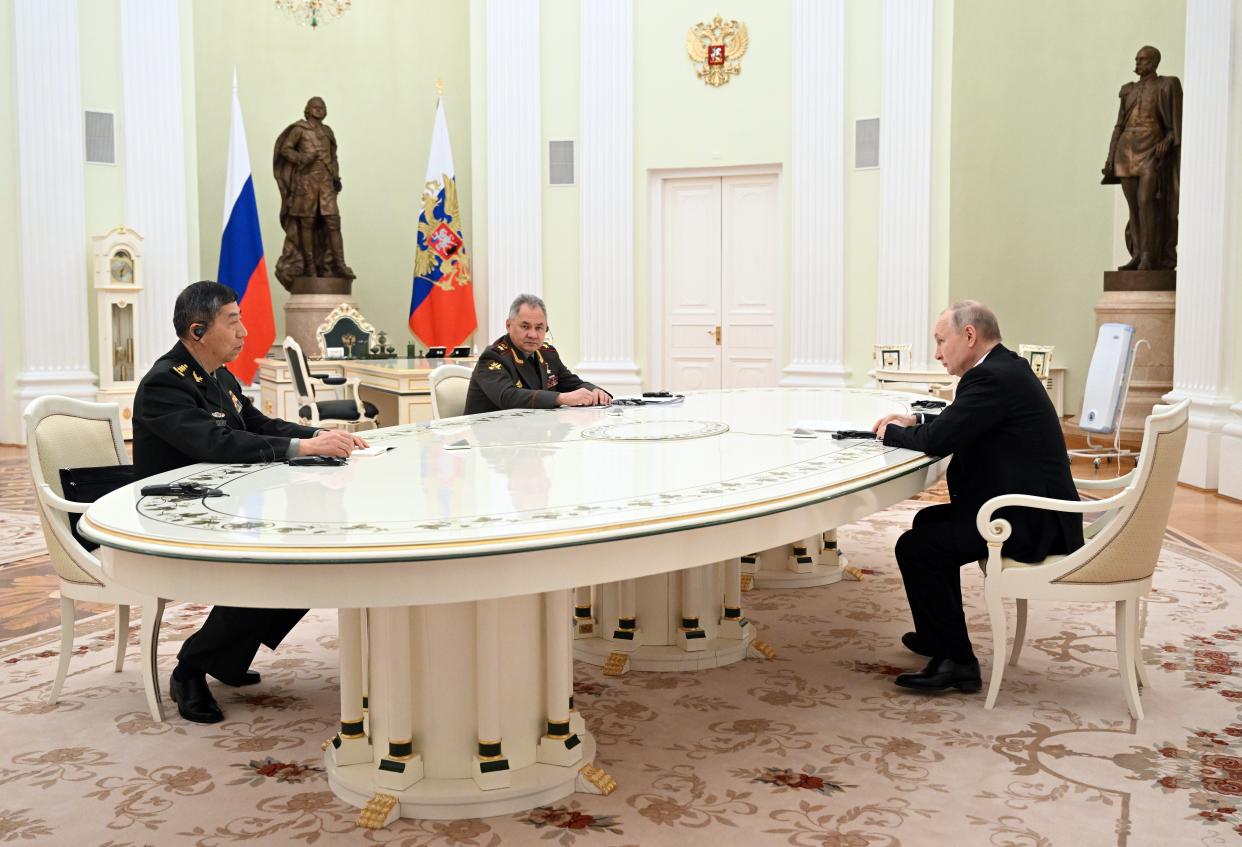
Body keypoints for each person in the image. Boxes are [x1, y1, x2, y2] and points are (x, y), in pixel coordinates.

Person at [132, 281, 368, 723]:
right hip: (172, 516)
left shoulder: (219, 375)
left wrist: (317, 436)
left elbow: (258, 423)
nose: (244, 330)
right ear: (198, 330)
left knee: (309, 553)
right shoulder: (166, 382)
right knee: (275, 561)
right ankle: (191, 669)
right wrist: (304, 450)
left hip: (218, 502)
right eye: (233, 320)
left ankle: (224, 657)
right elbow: (217, 443)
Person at [871, 301, 1083, 693]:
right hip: (1025, 507)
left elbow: (940, 439)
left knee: (918, 547)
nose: (937, 353)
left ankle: (959, 663)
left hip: (1028, 520)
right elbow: (964, 419)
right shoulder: (1003, 368)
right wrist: (915, 420)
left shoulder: (992, 378)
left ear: (969, 336)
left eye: (940, 341)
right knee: (927, 523)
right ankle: (938, 637)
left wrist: (889, 433)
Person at [1102, 45, 1181, 271]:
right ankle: (1137, 254)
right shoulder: (1128, 90)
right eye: (1136, 59)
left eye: (1142, 59)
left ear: (1154, 62)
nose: (1137, 63)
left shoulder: (1166, 85)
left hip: (1150, 150)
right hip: (1126, 150)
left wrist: (1168, 140)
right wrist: (1110, 157)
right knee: (1133, 205)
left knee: (1147, 200)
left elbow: (1175, 125)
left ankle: (1150, 255)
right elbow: (1119, 125)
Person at [463, 294, 613, 414]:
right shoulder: (494, 357)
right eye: (525, 326)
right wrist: (562, 398)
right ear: (508, 325)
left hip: (531, 435)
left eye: (539, 328)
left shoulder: (547, 353)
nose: (533, 335)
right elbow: (508, 397)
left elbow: (572, 383)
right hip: (492, 440)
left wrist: (595, 392)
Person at [273, 96, 355, 289]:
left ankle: (339, 264)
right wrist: (302, 158)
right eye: (315, 107)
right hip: (306, 183)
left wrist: (336, 176)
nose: (319, 109)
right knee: (307, 223)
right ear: (307, 110)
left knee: (332, 221)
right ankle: (309, 267)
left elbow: (333, 157)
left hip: (326, 184)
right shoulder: (299, 129)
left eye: (322, 107)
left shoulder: (328, 132)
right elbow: (285, 150)